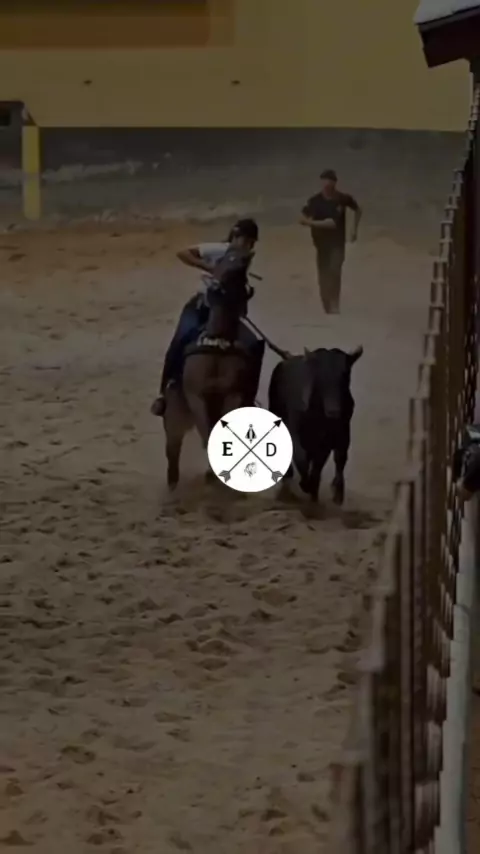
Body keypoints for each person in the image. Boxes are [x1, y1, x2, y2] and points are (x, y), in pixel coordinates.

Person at [151, 218, 262, 416]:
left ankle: (248, 397)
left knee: (254, 345)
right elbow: (183, 253)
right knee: (180, 339)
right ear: (235, 237)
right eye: (245, 240)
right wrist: (209, 267)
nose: (247, 245)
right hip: (201, 306)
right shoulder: (219, 249)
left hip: (228, 311)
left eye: (250, 243)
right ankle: (165, 392)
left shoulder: (245, 258)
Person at [300, 169, 362, 314]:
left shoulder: (341, 199)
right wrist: (304, 219)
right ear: (321, 183)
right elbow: (304, 215)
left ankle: (334, 304)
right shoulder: (315, 201)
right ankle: (327, 306)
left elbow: (336, 221)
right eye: (325, 181)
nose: (327, 184)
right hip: (321, 245)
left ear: (335, 183)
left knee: (334, 271)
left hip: (337, 243)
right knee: (323, 276)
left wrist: (354, 229)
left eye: (330, 182)